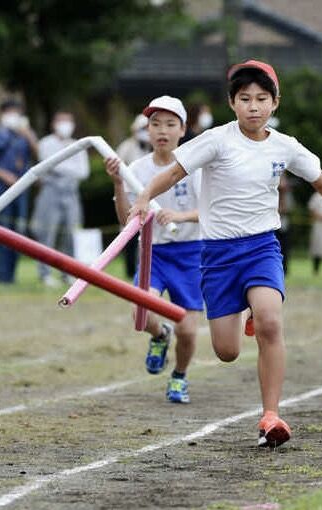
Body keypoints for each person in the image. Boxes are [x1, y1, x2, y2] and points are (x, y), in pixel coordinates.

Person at [128, 60, 322, 448]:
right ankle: (247, 311)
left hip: (261, 248)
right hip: (218, 254)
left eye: (261, 99)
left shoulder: (285, 146)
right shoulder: (216, 140)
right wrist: (143, 197)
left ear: (275, 102)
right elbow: (174, 173)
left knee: (271, 323)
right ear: (232, 103)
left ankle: (271, 416)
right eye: (244, 99)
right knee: (226, 351)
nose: (253, 107)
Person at [105, 96, 203, 404]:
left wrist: (179, 216)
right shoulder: (136, 168)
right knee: (141, 314)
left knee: (188, 331)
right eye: (155, 124)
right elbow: (125, 221)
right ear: (146, 130)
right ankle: (160, 335)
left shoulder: (195, 166)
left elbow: (211, 211)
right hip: (154, 253)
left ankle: (179, 377)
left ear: (183, 129)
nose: (162, 131)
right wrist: (118, 184)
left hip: (191, 254)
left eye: (170, 124)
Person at [0, 98, 38, 284]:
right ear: (2, 114)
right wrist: (5, 176)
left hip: (21, 192)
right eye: (10, 112)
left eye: (17, 112)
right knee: (0, 231)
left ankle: (11, 276)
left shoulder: (24, 136)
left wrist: (29, 135)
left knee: (18, 232)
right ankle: (1, 276)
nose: (14, 115)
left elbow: (39, 156)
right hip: (1, 189)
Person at [31, 110, 90, 287]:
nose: (65, 125)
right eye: (61, 121)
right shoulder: (46, 143)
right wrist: (69, 167)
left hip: (71, 194)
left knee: (71, 234)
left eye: (68, 121)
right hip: (50, 192)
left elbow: (83, 172)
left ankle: (68, 273)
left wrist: (61, 166)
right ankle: (44, 274)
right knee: (47, 233)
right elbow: (48, 163)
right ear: (54, 124)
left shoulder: (77, 144)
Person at [116, 114, 152, 278]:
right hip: (131, 196)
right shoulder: (127, 146)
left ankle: (145, 268)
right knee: (129, 232)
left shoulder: (154, 147)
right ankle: (130, 270)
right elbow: (117, 167)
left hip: (151, 196)